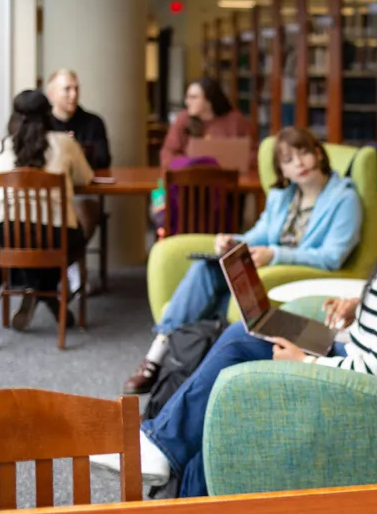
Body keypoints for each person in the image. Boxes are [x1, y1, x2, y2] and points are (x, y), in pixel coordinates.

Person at [92, 147, 377, 497]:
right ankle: (162, 449)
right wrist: (363, 306)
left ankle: (161, 449)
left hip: (352, 378)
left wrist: (305, 362)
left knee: (240, 343)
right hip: (348, 348)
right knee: (243, 334)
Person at [123, 126, 363, 395]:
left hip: (291, 277)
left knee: (209, 299)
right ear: (282, 171)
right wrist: (233, 241)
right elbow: (257, 235)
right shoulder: (282, 196)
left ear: (318, 154)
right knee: (207, 267)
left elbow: (332, 256)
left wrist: (275, 254)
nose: (298, 163)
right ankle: (159, 354)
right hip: (263, 271)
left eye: (304, 153)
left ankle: (168, 366)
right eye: (288, 160)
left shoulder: (344, 198)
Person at [0, 89, 93, 330]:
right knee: (75, 236)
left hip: (9, 236)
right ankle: (46, 294)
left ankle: (34, 290)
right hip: (57, 237)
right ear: (48, 115)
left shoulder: (0, 147)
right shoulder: (65, 143)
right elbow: (85, 178)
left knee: (27, 238)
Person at [46, 69, 111, 244]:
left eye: (76, 89)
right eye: (67, 89)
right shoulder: (42, 124)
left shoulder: (93, 122)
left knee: (81, 211)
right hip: (50, 194)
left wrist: (74, 155)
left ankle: (69, 260)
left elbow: (104, 159)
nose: (73, 95)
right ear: (52, 94)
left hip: (83, 192)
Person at [160, 77, 254, 167]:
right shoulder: (183, 119)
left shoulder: (235, 120)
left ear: (209, 100)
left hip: (229, 178)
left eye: (193, 97)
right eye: (187, 97)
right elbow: (167, 155)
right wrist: (189, 163)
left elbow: (252, 152)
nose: (187, 102)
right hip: (191, 178)